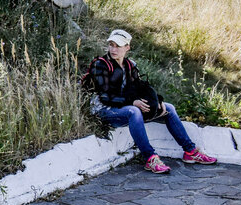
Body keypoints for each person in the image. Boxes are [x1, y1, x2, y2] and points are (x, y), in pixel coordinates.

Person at [88, 29, 217, 174]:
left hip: (124, 107)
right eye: (111, 45)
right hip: (104, 110)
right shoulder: (101, 65)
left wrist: (157, 101)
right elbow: (106, 97)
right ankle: (150, 158)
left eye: (118, 46)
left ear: (127, 47)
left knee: (168, 108)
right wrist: (133, 102)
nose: (113, 49)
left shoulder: (130, 65)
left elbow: (141, 87)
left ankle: (190, 152)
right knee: (134, 111)